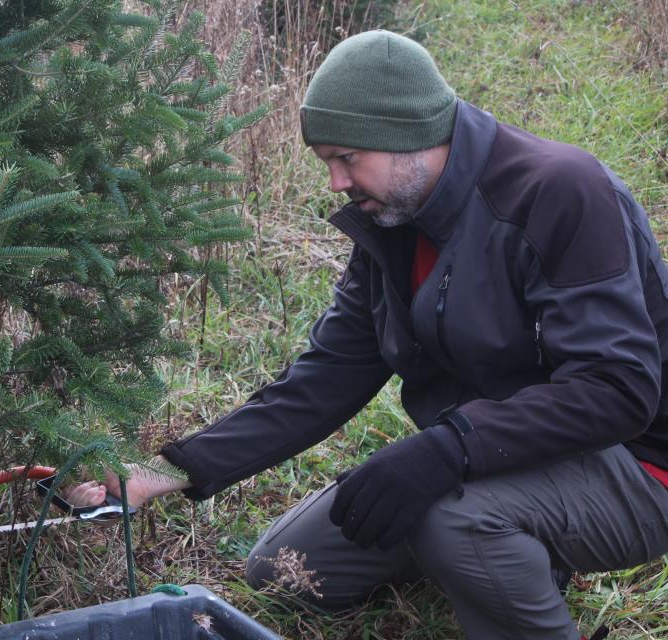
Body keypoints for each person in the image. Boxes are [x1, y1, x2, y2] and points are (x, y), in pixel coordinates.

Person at [74, 30, 668, 640]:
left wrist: (446, 449)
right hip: (495, 448)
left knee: (452, 520)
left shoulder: (560, 192)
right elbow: (331, 371)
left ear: (407, 134)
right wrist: (173, 467)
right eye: (326, 162)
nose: (336, 183)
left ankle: (504, 559)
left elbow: (617, 388)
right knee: (284, 569)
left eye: (346, 157)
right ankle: (507, 546)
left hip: (639, 465)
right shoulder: (395, 217)